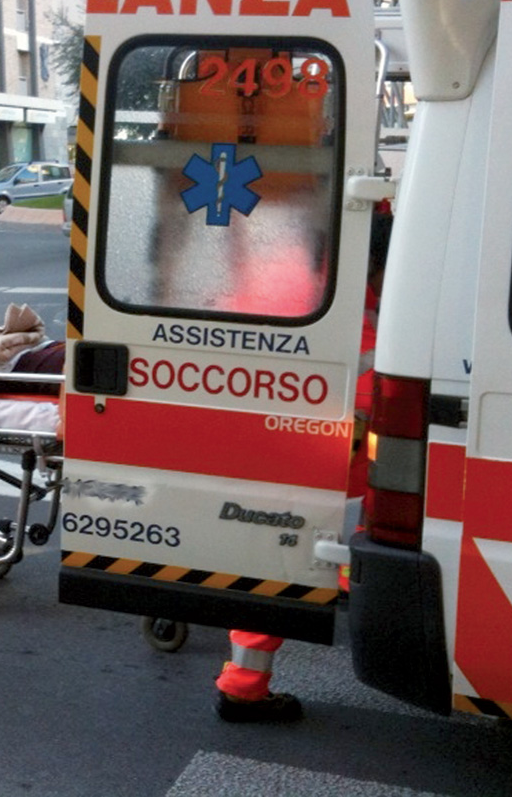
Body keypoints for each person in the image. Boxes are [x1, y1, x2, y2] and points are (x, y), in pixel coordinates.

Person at [213, 201, 392, 723]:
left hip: (289, 450)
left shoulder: (300, 285)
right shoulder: (368, 315)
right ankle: (243, 687)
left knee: (280, 559)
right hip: (335, 462)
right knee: (291, 558)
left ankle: (244, 682)